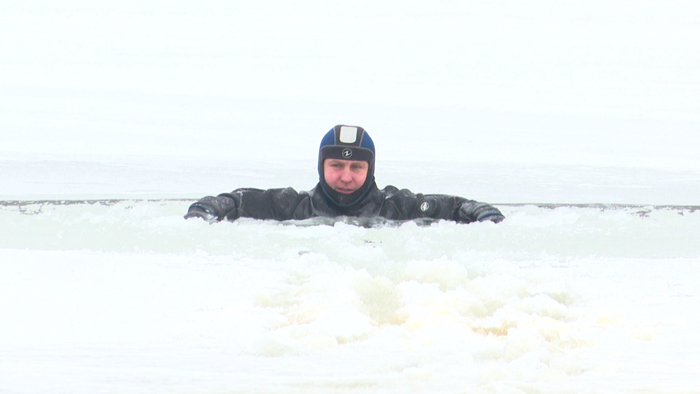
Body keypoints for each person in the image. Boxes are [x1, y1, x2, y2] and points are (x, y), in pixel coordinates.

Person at [184, 125, 504, 224]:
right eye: (336, 166)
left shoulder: (396, 207)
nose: (346, 176)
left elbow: (455, 207)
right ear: (322, 167)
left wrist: (482, 214)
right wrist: (210, 208)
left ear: (371, 169)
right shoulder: (294, 206)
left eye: (357, 167)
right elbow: (238, 201)